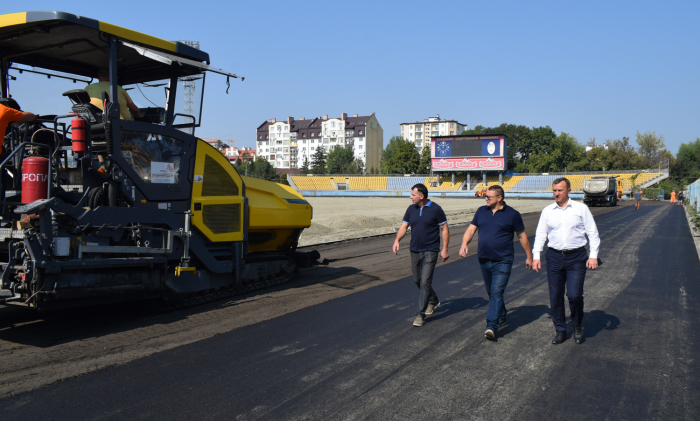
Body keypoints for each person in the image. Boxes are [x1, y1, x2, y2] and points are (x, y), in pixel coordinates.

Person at [459, 185, 533, 340]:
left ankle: (491, 325)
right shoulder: (481, 211)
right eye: (485, 196)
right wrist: (464, 244)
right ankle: (501, 314)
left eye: (489, 196)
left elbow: (522, 236)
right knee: (491, 292)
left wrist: (529, 256)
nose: (485, 198)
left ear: (499, 198)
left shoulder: (512, 214)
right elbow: (471, 229)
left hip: (503, 260)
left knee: (497, 292)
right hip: (484, 258)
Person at [532, 177, 600, 345]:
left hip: (576, 257)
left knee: (574, 295)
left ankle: (577, 325)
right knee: (555, 296)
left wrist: (593, 255)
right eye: (554, 190)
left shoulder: (581, 208)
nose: (557, 193)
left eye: (560, 190)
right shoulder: (548, 211)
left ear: (568, 191)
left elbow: (593, 233)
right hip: (554, 256)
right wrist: (536, 256)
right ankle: (560, 330)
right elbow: (541, 234)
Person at [393, 183, 449, 327]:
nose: (410, 197)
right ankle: (433, 300)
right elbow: (404, 226)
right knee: (417, 280)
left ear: (421, 196)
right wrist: (397, 240)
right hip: (415, 250)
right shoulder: (411, 209)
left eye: (413, 194)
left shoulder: (436, 209)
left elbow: (444, 229)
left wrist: (444, 249)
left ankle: (420, 314)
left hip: (431, 250)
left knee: (425, 282)